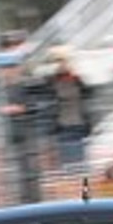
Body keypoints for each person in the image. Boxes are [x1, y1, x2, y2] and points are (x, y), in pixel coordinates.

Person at [0, 49, 51, 204]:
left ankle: (33, 202)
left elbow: (40, 104)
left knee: (30, 171)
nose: (7, 71)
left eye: (11, 67)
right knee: (12, 173)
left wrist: (20, 109)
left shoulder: (27, 86)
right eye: (4, 68)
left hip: (26, 135)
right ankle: (17, 202)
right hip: (8, 136)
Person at [44, 46, 93, 176]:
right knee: (67, 164)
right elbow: (48, 98)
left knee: (80, 164)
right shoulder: (51, 81)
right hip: (62, 125)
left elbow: (89, 92)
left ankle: (83, 188)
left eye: (65, 61)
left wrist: (76, 75)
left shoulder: (77, 79)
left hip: (78, 123)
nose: (62, 65)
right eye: (59, 62)